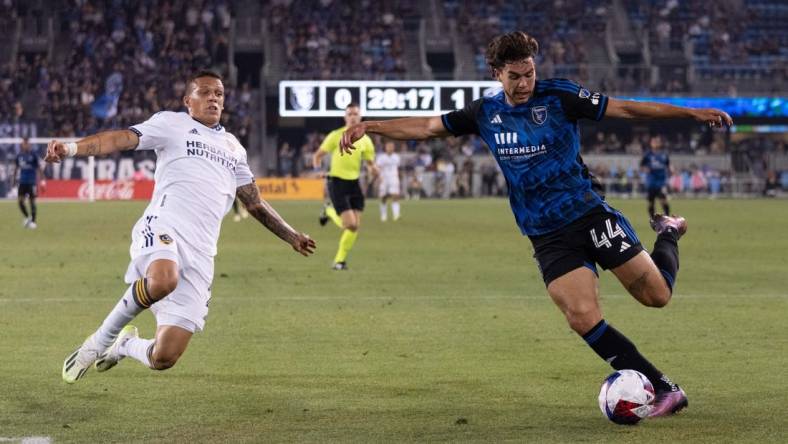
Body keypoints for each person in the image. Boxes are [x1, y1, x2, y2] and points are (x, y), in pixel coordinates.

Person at [339, 31, 733, 418]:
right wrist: (371, 126)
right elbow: (427, 127)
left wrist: (691, 112)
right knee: (581, 317)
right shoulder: (484, 113)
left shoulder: (559, 96)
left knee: (656, 296)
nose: (525, 82)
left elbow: (625, 109)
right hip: (546, 234)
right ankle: (664, 387)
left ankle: (667, 231)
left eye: (529, 73)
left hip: (588, 215)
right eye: (515, 76)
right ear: (496, 73)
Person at [48, 70, 316, 383]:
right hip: (165, 225)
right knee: (163, 280)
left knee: (164, 357)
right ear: (188, 101)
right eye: (205, 92)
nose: (213, 98)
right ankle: (98, 343)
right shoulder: (172, 124)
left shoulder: (234, 149)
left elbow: (254, 203)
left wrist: (292, 236)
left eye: (218, 93)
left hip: (201, 252)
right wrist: (71, 149)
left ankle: (123, 345)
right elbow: (121, 138)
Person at [312, 103, 378, 270]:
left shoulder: (366, 141)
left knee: (355, 227)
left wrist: (374, 170)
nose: (353, 116)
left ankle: (339, 261)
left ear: (360, 116)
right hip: (337, 182)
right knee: (350, 224)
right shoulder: (336, 135)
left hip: (354, 184)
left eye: (355, 114)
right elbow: (318, 155)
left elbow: (370, 163)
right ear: (345, 117)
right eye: (350, 114)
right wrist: (318, 170)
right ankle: (328, 210)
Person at [13, 137, 45, 229]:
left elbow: (39, 168)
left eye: (26, 143)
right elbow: (16, 169)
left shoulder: (34, 155)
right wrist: (14, 181)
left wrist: (42, 181)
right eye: (24, 143)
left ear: (29, 145)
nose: (25, 145)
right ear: (22, 145)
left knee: (32, 201)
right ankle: (27, 217)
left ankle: (33, 222)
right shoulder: (19, 156)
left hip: (31, 182)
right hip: (22, 182)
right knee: (20, 201)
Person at [640, 135, 672, 218]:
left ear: (660, 143)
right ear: (651, 143)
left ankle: (667, 217)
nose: (655, 143)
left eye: (657, 142)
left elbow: (668, 165)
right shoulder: (647, 155)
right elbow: (641, 166)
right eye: (654, 142)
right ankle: (652, 219)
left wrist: (671, 170)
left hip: (661, 182)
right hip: (651, 182)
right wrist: (645, 169)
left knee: (663, 200)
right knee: (651, 202)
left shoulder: (664, 154)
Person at [375, 140, 402, 221]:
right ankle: (384, 215)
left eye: (392, 147)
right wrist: (378, 177)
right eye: (389, 146)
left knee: (395, 195)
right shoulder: (381, 158)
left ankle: (396, 215)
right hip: (384, 178)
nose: (390, 148)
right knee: (384, 197)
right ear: (385, 148)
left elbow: (398, 168)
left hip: (394, 178)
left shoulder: (396, 157)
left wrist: (399, 177)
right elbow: (377, 168)